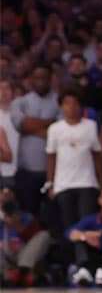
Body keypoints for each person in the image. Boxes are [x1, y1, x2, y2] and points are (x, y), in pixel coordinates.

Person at [46, 89, 102, 282]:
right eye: (67, 103)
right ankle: (76, 265)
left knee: (86, 224)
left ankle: (86, 265)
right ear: (62, 106)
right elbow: (51, 157)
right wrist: (50, 183)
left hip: (87, 183)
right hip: (63, 184)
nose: (72, 107)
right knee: (70, 227)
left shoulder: (90, 126)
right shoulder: (55, 129)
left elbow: (97, 156)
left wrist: (101, 183)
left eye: (75, 103)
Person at [9, 63, 58, 214]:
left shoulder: (60, 101)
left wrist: (31, 126)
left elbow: (61, 130)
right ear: (31, 79)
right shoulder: (20, 102)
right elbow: (22, 125)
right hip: (26, 171)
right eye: (37, 78)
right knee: (27, 215)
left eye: (44, 78)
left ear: (50, 79)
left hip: (53, 172)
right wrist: (50, 123)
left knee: (52, 218)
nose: (41, 81)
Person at [0, 186, 51, 287]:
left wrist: (19, 227)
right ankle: (9, 275)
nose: (6, 196)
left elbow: (36, 242)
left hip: (23, 256)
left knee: (44, 235)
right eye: (2, 193)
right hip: (3, 257)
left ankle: (23, 271)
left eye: (9, 193)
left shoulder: (26, 217)